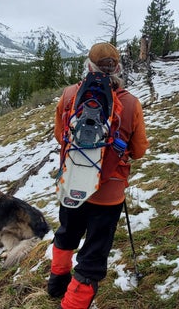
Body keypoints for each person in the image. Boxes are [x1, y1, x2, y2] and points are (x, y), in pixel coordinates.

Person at [49, 42, 149, 308]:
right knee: (93, 256)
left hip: (72, 181)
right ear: (117, 68)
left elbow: (61, 136)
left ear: (88, 66)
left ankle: (56, 282)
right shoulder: (130, 104)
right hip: (108, 193)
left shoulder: (70, 94)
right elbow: (138, 151)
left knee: (66, 233)